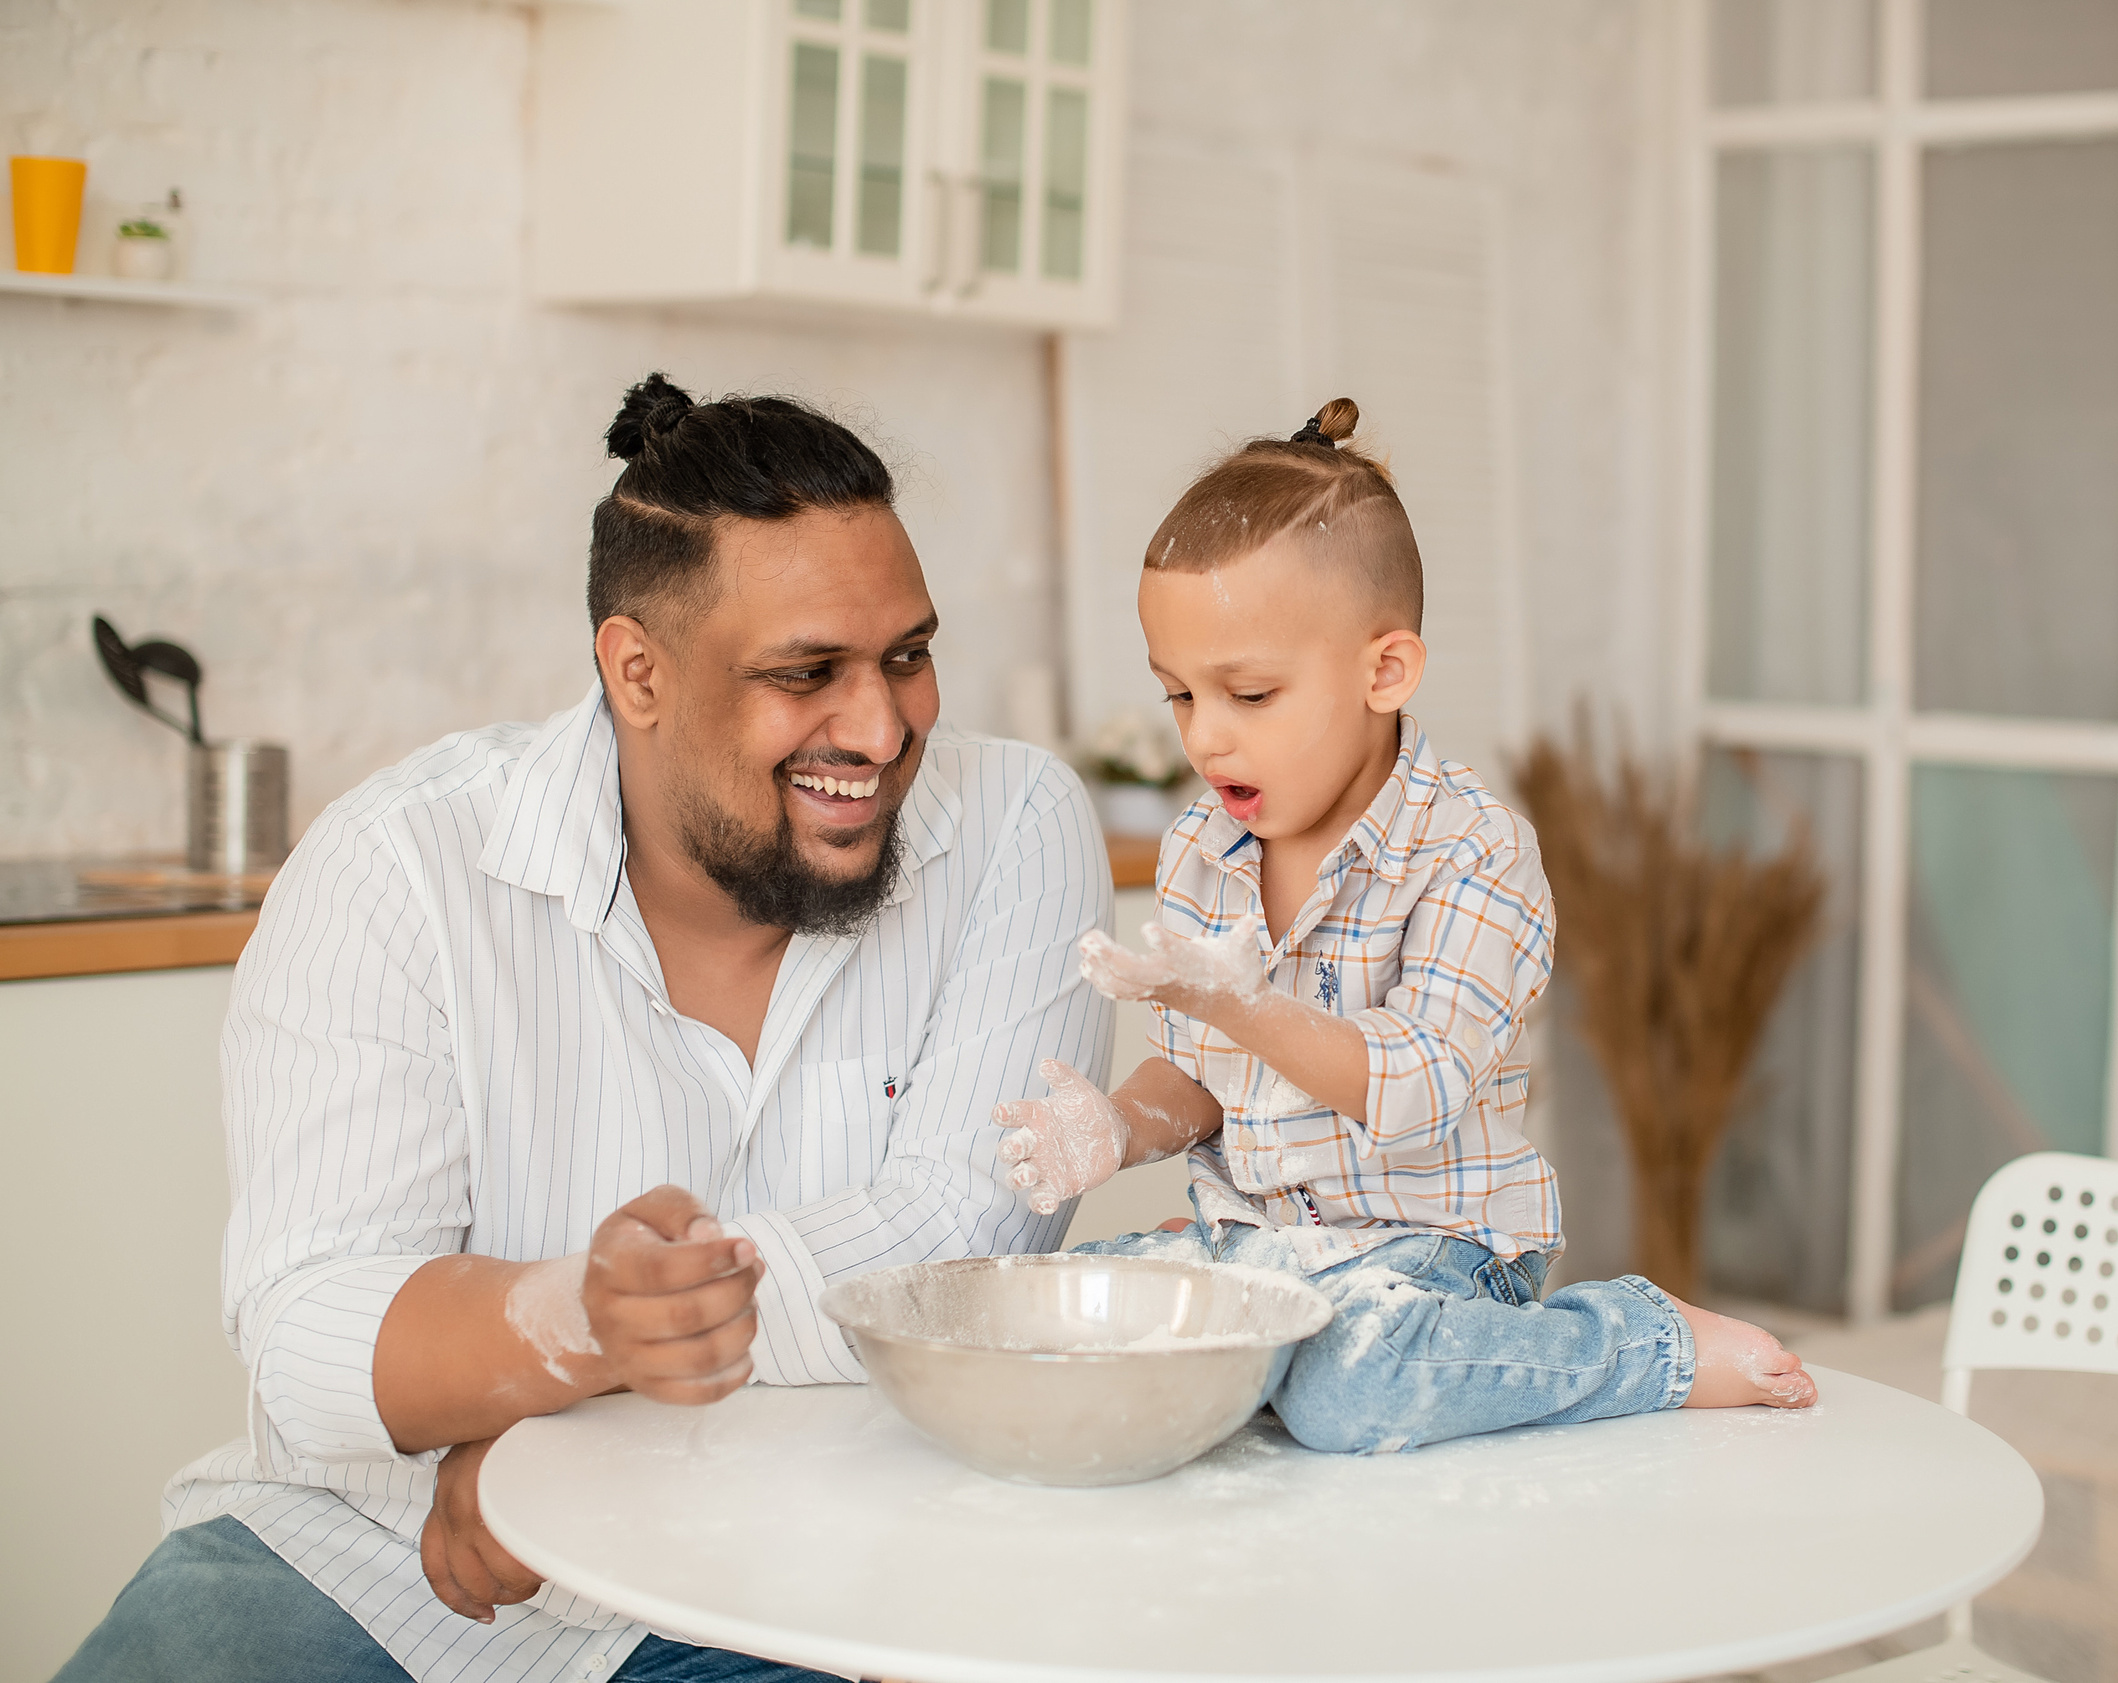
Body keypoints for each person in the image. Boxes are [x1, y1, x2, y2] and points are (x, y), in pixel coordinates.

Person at [56, 376, 1111, 1682]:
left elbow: (959, 1248)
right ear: (637, 670)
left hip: (787, 1581)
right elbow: (309, 1325)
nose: (884, 726)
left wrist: (554, 1410)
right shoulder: (398, 867)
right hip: (378, 1559)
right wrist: (574, 1320)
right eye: (807, 672)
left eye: (907, 652)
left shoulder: (1013, 826)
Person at [992, 398, 1815, 1455]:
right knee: (1052, 1310)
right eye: (1178, 696)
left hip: (1434, 1250)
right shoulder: (1206, 845)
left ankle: (1639, 1343)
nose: (1205, 737)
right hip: (1260, 1242)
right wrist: (1115, 1129)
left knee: (1353, 1391)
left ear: (1384, 671)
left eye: (1248, 693)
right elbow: (1201, 1075)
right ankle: (1267, 1355)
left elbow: (1414, 1089)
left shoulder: (1475, 853)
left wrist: (1240, 1001)